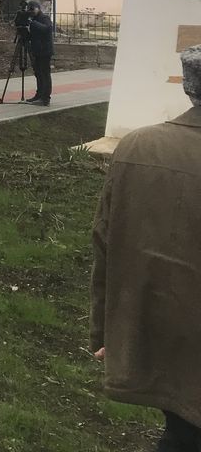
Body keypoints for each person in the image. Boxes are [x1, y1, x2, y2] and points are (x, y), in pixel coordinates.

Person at [91, 45, 201, 451]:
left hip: (163, 332)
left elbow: (105, 240)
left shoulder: (136, 146)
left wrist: (106, 330)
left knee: (181, 433)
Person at [25, 0, 54, 105]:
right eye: (29, 9)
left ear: (38, 8)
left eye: (33, 9)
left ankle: (45, 98)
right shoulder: (33, 19)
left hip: (45, 51)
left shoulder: (44, 18)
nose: (31, 11)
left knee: (45, 74)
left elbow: (47, 29)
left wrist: (33, 23)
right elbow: (33, 36)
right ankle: (39, 95)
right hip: (37, 50)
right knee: (38, 74)